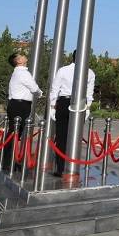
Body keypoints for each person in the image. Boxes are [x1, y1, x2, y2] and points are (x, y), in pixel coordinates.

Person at [49, 50, 96, 178]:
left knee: (61, 136)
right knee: (76, 136)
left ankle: (61, 168)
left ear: (73, 57)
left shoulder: (63, 70)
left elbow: (55, 89)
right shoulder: (90, 72)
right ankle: (72, 167)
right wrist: (88, 108)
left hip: (64, 102)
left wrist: (53, 106)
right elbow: (89, 93)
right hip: (80, 103)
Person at [3, 53, 42, 171]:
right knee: (14, 133)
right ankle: (7, 162)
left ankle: (9, 161)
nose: (24, 56)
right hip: (20, 105)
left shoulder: (17, 73)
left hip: (15, 104)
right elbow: (34, 88)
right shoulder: (23, 73)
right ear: (18, 61)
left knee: (14, 132)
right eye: (21, 56)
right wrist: (39, 94)